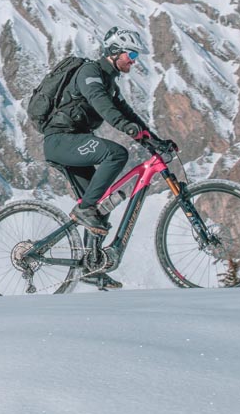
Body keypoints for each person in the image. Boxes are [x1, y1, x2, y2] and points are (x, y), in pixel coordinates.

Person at [41, 27, 175, 283]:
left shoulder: (109, 81)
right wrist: (127, 129)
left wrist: (155, 141)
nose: (134, 60)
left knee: (102, 204)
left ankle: (91, 267)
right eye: (132, 54)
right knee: (116, 153)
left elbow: (128, 114)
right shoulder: (90, 73)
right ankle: (85, 210)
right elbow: (102, 104)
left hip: (76, 142)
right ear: (115, 52)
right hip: (61, 141)